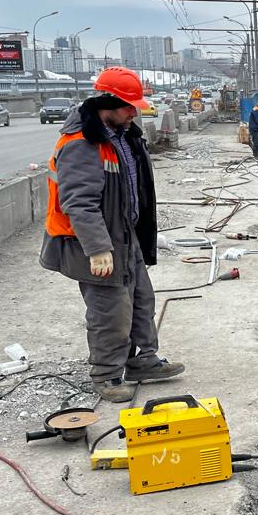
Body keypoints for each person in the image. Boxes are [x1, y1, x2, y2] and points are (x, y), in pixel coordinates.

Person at [39, 67, 184, 402]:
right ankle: (106, 375)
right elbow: (78, 202)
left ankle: (141, 361)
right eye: (128, 106)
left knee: (141, 300)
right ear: (108, 103)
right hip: (93, 243)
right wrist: (98, 248)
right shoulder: (81, 145)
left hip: (124, 236)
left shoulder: (122, 135)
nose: (134, 112)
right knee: (110, 311)